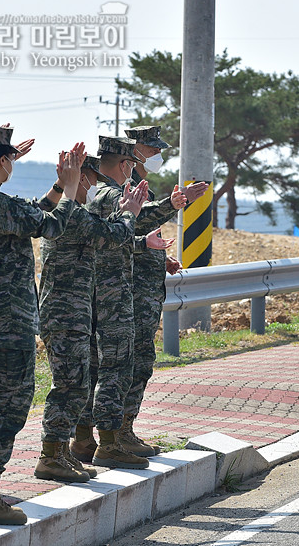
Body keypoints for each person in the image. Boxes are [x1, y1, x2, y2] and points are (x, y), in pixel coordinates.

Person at [0, 124, 78, 525]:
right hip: (8, 316)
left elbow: (32, 213)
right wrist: (72, 186)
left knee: (0, 400)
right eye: (8, 157)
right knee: (9, 403)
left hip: (0, 315)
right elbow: (53, 226)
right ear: (2, 162)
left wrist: (58, 189)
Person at [35, 151, 151, 483]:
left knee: (75, 384)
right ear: (82, 178)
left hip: (72, 312)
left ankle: (61, 452)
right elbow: (111, 235)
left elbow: (107, 240)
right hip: (65, 314)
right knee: (69, 385)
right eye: (93, 181)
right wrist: (129, 213)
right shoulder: (72, 214)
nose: (96, 188)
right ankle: (51, 455)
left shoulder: (70, 212)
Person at [71, 136, 183, 470]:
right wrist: (171, 206)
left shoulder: (110, 193)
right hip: (115, 297)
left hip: (116, 293)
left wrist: (149, 249)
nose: (155, 158)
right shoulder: (111, 194)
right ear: (127, 161)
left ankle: (101, 437)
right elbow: (114, 234)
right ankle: (108, 439)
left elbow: (117, 236)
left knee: (107, 366)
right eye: (150, 153)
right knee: (114, 368)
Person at [120, 125, 209, 457]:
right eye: (153, 150)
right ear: (136, 151)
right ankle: (117, 433)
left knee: (139, 361)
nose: (159, 156)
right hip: (130, 291)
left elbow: (138, 236)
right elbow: (130, 226)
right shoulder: (125, 188)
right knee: (129, 362)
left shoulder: (142, 186)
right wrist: (178, 203)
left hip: (144, 287)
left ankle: (123, 430)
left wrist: (160, 256)